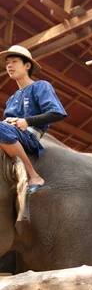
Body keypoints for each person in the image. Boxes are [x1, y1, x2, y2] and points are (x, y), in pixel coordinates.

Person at [0, 45, 67, 197]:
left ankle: (33, 176)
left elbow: (57, 113)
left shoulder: (41, 86)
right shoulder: (11, 99)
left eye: (14, 61)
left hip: (29, 136)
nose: (9, 65)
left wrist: (27, 121)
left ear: (27, 65)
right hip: (10, 134)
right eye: (7, 63)